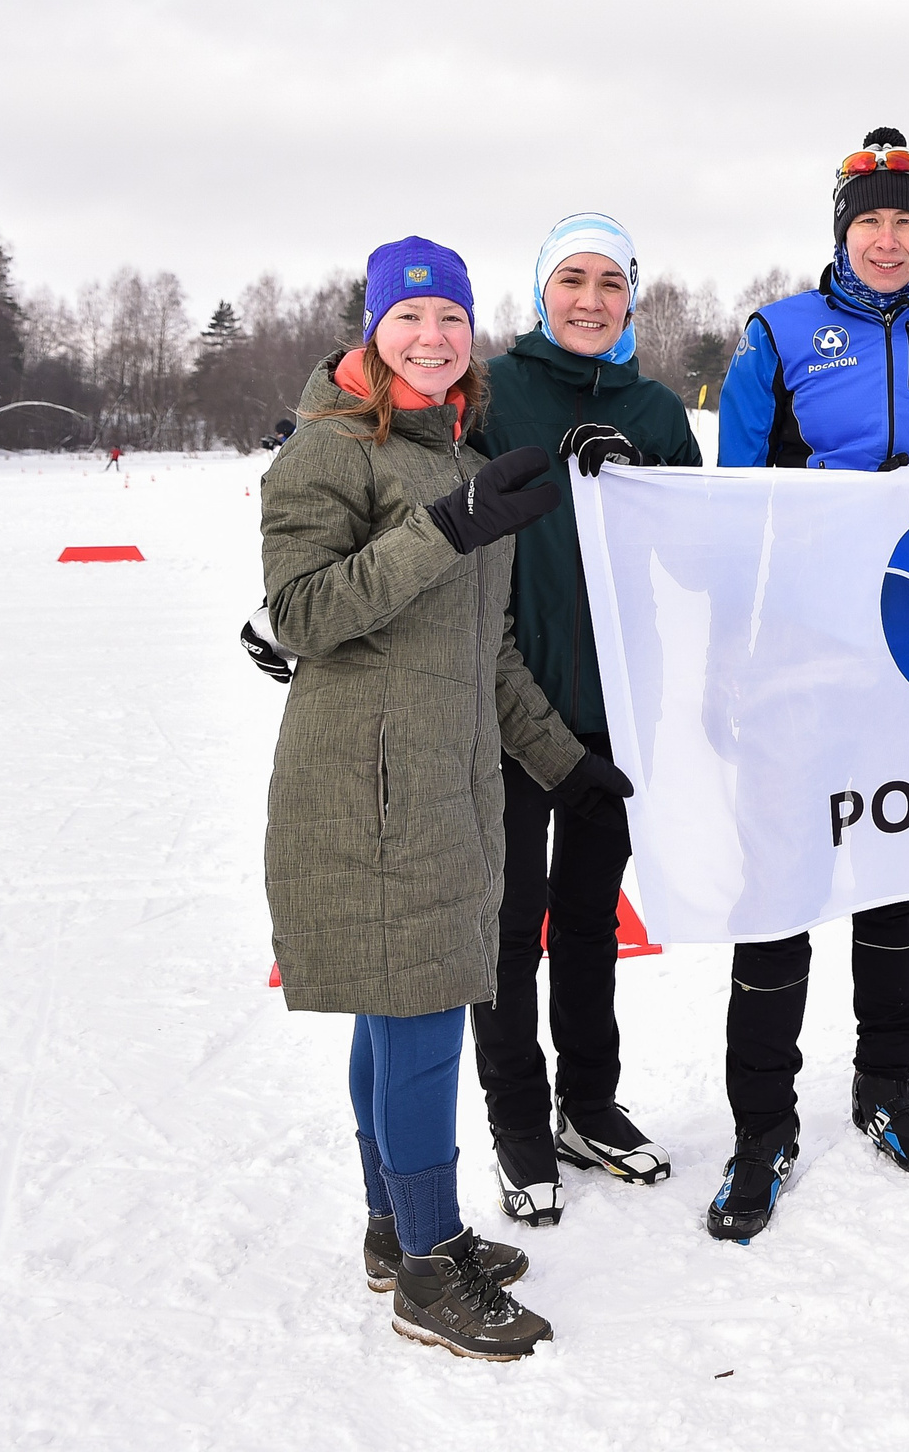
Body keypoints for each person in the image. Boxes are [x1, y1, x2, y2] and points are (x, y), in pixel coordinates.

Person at [259, 235, 634, 1360]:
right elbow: (302, 616)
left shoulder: (454, 452)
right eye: (410, 318)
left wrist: (565, 764)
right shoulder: (327, 452)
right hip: (370, 788)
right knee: (421, 1014)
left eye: (452, 319)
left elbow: (489, 653)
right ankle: (430, 1266)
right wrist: (445, 530)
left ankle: (397, 1229)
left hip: (446, 779)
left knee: (395, 1014)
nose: (433, 337)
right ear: (373, 329)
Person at [704, 128, 909, 1241]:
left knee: (897, 874)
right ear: (841, 232)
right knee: (783, 887)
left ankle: (887, 1087)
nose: (887, 240)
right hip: (799, 657)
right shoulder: (778, 334)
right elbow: (733, 514)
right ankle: (762, 1126)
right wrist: (725, 661)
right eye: (869, 222)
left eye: (905, 222)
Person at [463, 213, 703, 1226]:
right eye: (573, 279)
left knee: (592, 918)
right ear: (541, 292)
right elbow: (450, 525)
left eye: (611, 282)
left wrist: (644, 481)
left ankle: (589, 1106)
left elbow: (698, 553)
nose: (591, 300)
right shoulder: (491, 391)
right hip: (510, 707)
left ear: (631, 299)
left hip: (617, 712)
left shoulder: (655, 407)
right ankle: (519, 1124)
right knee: (510, 922)